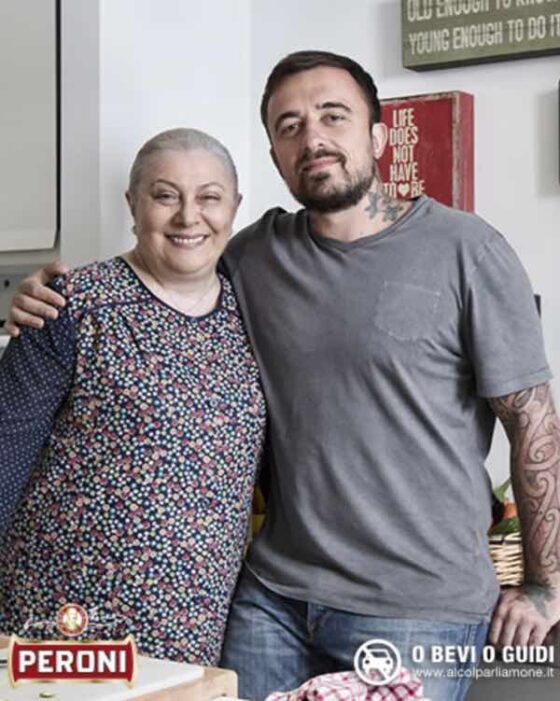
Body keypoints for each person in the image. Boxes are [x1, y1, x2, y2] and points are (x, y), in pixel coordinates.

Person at [6, 51, 560, 701]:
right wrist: (46, 296)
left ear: (378, 136)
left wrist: (545, 584)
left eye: (333, 116)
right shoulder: (252, 257)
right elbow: (163, 275)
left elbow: (532, 419)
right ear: (274, 156)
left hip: (414, 606)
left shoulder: (469, 250)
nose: (313, 138)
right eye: (290, 125)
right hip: (271, 598)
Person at [0, 128, 267, 667]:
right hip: (59, 623)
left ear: (235, 208)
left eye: (209, 197)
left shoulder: (258, 315)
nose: (188, 217)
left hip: (191, 627)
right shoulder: (70, 306)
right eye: (165, 195)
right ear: (133, 204)